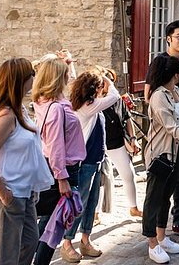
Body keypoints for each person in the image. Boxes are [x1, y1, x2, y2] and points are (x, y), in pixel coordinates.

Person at [0, 58, 53, 265]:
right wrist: (5, 196)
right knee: (6, 255)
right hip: (9, 194)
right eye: (31, 74)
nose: (34, 78)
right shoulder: (5, 115)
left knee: (30, 243)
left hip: (25, 193)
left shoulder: (19, 110)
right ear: (21, 80)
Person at [144, 20, 179, 239]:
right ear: (169, 38)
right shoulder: (160, 63)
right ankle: (155, 235)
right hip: (167, 134)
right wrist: (166, 111)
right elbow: (149, 94)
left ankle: (178, 221)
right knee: (160, 188)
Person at [60, 70, 120, 261]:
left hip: (96, 160)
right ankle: (67, 242)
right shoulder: (87, 106)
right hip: (85, 162)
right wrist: (108, 81)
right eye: (99, 86)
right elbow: (115, 96)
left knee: (91, 204)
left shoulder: (90, 105)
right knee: (80, 203)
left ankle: (85, 240)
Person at [32, 57, 86, 265]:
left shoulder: (44, 101)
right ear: (58, 77)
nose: (69, 76)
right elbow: (55, 145)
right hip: (63, 169)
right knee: (56, 226)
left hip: (59, 167)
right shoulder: (55, 107)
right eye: (65, 73)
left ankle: (29, 256)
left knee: (49, 220)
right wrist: (62, 178)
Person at [143, 55, 179, 264]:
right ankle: (152, 242)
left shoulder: (175, 91)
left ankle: (162, 236)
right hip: (161, 153)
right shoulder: (159, 96)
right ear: (174, 74)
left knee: (166, 195)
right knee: (153, 198)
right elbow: (170, 125)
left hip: (176, 151)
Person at [102, 68, 143, 217]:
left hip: (117, 143)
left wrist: (133, 139)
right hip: (101, 145)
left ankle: (133, 207)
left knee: (128, 174)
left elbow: (127, 119)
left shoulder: (118, 100)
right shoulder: (95, 102)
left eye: (111, 81)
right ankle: (95, 213)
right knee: (102, 180)